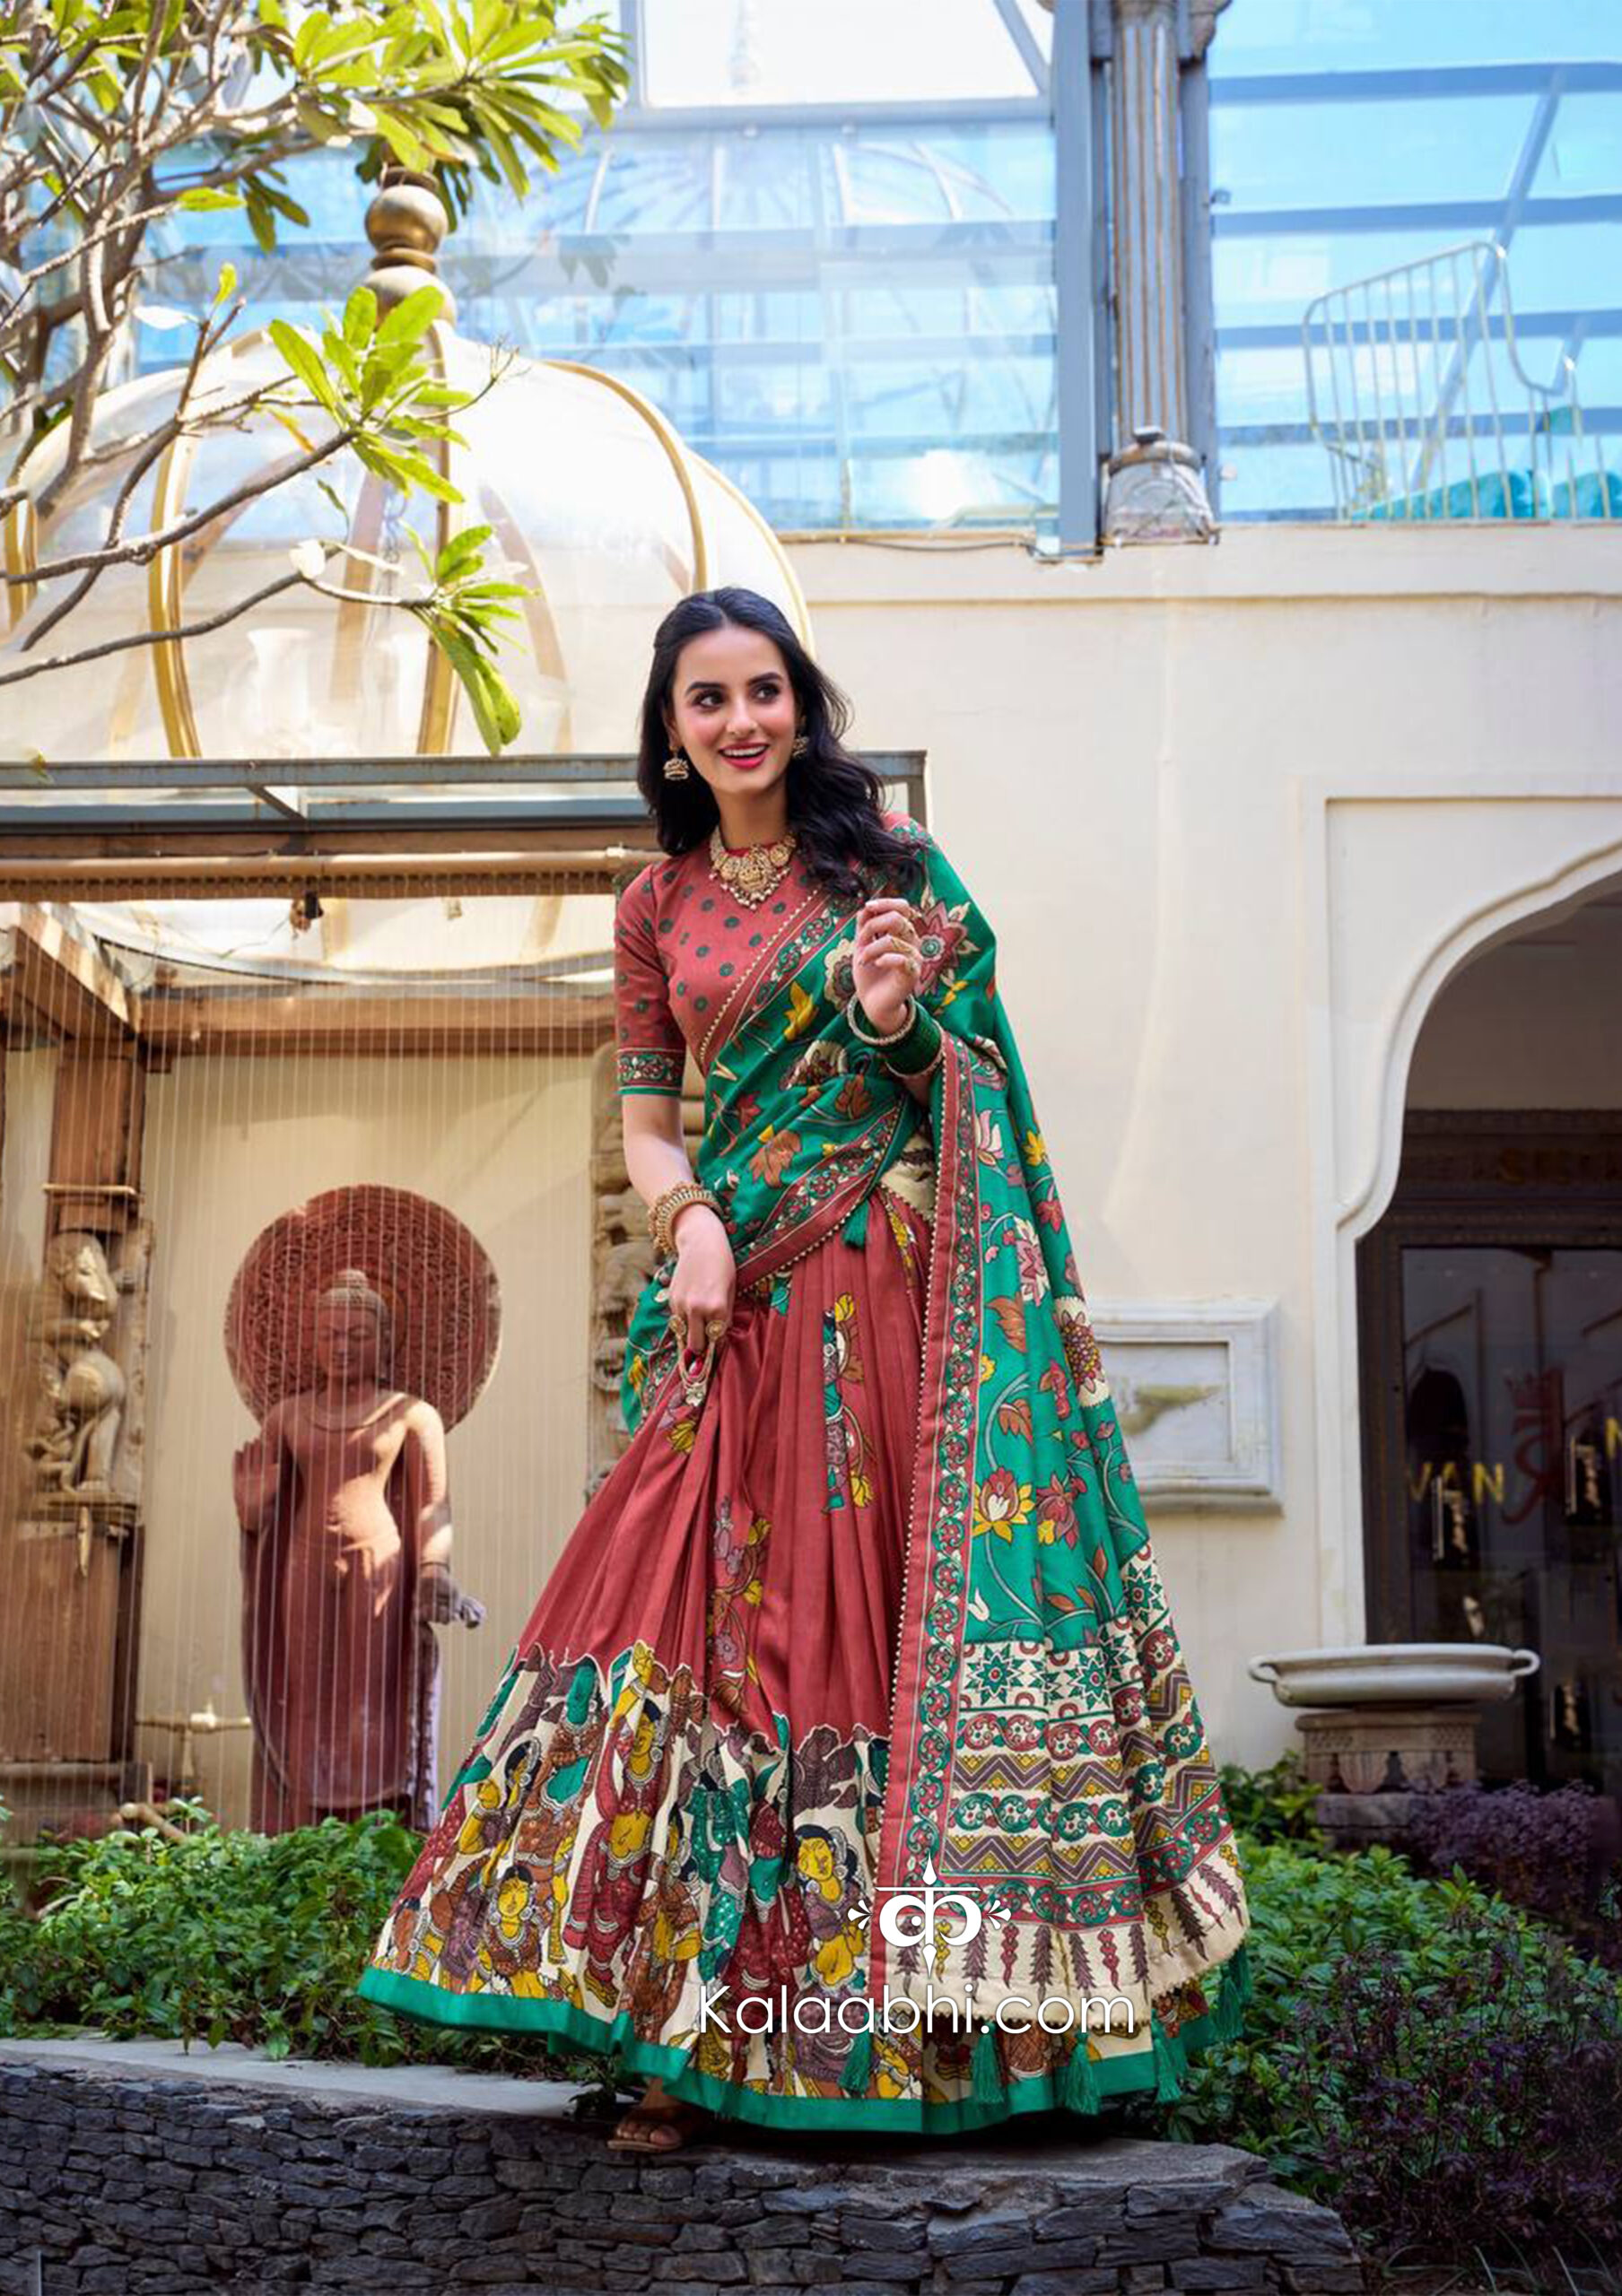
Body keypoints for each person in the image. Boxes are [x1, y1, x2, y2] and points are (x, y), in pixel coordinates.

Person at [354, 587, 1251, 2146]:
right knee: (689, 1634)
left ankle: (940, 2048)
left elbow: (970, 1077)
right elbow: (645, 1124)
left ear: (798, 703)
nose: (741, 720)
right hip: (735, 1308)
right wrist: (691, 1217)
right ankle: (686, 2041)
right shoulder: (651, 908)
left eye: (763, 690)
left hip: (888, 1305)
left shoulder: (892, 867)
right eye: (707, 700)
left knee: (876, 1641)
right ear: (673, 734)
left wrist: (902, 1027)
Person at [234, 1270, 484, 1834]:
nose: (342, 1346)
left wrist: (434, 1570)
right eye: (329, 1335)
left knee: (373, 1700)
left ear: (386, 1342)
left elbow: (433, 1505)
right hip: (304, 1560)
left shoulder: (412, 1415)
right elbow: (266, 1503)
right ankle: (298, 1829)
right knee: (306, 1695)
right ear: (311, 1341)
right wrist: (254, 1514)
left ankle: (378, 1832)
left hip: (381, 1565)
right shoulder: (287, 1417)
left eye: (358, 1334)